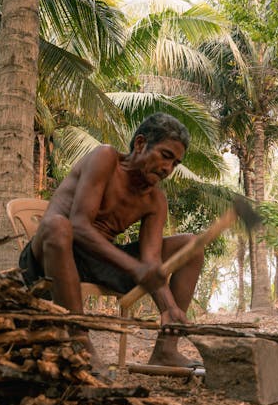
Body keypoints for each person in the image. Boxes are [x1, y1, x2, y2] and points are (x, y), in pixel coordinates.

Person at [19, 113, 203, 368]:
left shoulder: (155, 200)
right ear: (140, 144)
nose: (168, 169)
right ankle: (80, 344)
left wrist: (168, 308)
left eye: (175, 164)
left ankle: (166, 350)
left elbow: (151, 261)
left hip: (100, 262)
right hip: (53, 253)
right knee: (57, 225)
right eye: (165, 156)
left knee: (190, 245)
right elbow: (79, 226)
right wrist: (135, 268)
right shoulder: (105, 158)